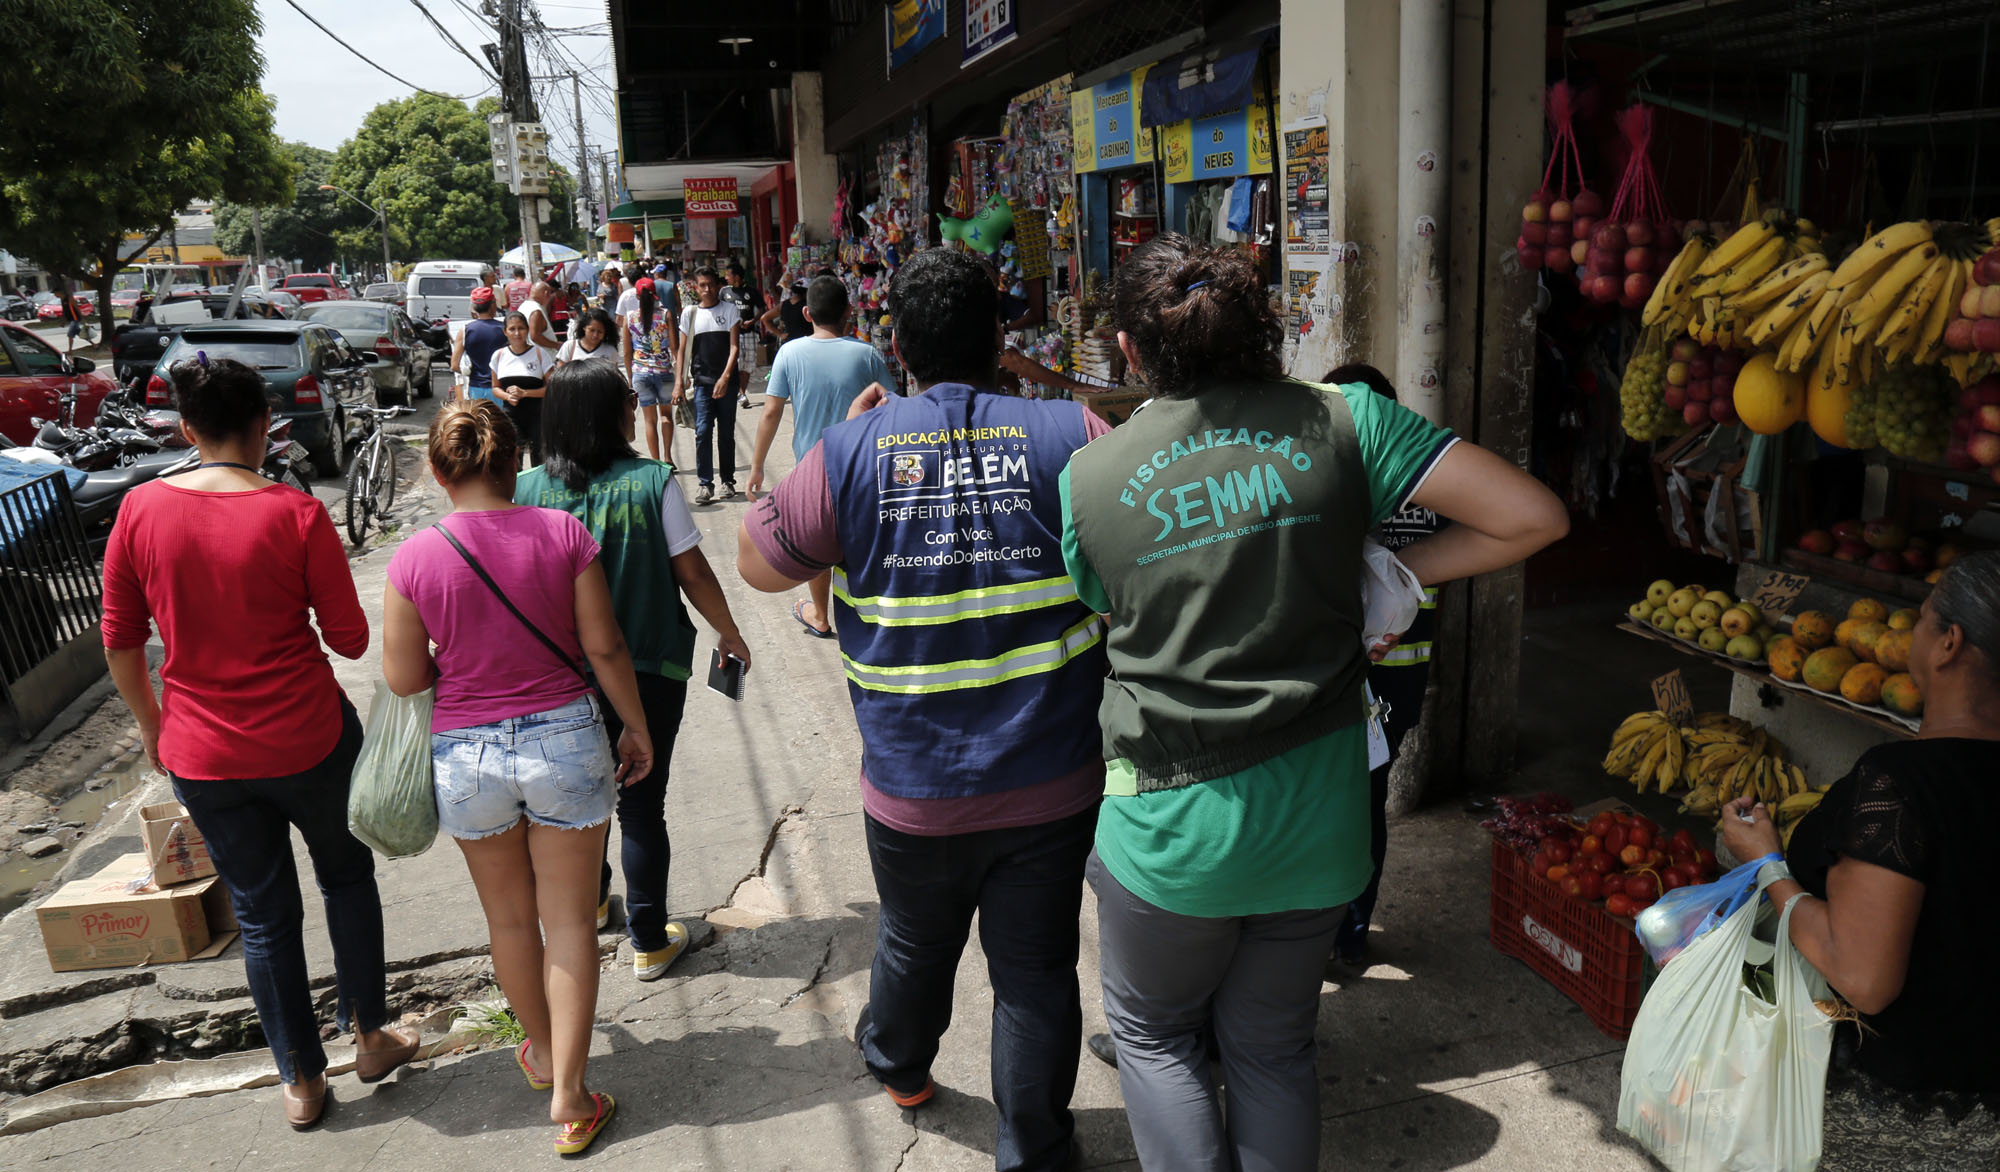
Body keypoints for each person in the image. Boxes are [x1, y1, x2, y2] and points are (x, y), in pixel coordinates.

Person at [1060, 234, 1568, 1172]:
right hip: (1319, 814)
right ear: (1264, 331)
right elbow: (1534, 517)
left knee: (1157, 1039)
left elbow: (1110, 603)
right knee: (1273, 1048)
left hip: (1170, 827)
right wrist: (1393, 570)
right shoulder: (1349, 419)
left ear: (1132, 350)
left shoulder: (1090, 477)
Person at [737, 248, 1112, 1172]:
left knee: (913, 934)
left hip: (912, 783)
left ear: (895, 346)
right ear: (998, 339)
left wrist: (846, 444)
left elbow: (758, 562)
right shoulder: (1074, 434)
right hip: (1053, 777)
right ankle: (1035, 1148)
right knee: (1034, 970)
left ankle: (901, 1064)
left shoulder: (855, 448)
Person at [101, 356, 419, 1130]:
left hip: (203, 755)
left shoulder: (139, 510)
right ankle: (371, 1036)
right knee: (345, 880)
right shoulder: (295, 513)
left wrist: (154, 725)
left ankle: (302, 1083)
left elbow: (119, 637)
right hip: (309, 739)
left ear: (186, 431)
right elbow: (347, 640)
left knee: (262, 917)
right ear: (262, 429)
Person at [382, 401, 652, 1156]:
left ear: (438, 472)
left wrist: (463, 660)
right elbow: (604, 647)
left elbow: (403, 679)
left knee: (509, 921)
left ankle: (538, 1052)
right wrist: (634, 724)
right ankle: (571, 1097)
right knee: (570, 921)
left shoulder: (414, 558)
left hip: (465, 757)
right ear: (515, 464)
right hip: (566, 740)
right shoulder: (562, 533)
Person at [1718, 552, 2000, 1170]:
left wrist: (1768, 865)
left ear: (1949, 643)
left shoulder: (1898, 784)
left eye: (1922, 620)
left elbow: (1864, 978)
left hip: (1907, 1123)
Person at [518, 363, 751, 980]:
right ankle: (649, 938)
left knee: (579, 798)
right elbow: (692, 572)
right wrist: (728, 630)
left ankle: (594, 905)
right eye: (626, 399)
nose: (633, 406)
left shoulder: (527, 490)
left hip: (557, 677)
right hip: (648, 665)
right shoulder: (653, 481)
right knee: (642, 806)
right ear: (609, 413)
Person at [1325, 362, 1446, 967]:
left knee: (1336, 808)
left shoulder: (1340, 479)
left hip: (1358, 681)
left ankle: (1334, 935)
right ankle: (1347, 933)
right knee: (1366, 804)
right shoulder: (1434, 485)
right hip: (1400, 681)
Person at [746, 275, 895, 638]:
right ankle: (875, 610)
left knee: (819, 540)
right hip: (863, 465)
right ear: (848, 311)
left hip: (812, 469)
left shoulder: (789, 352)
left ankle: (821, 616)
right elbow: (891, 404)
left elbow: (770, 412)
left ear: (807, 313)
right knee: (865, 536)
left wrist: (757, 466)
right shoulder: (866, 353)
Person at [676, 266, 743, 505]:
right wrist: (678, 384)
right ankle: (705, 484)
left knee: (726, 433)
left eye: (711, 284)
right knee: (702, 432)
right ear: (696, 287)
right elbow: (683, 350)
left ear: (718, 285)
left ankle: (728, 481)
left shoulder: (730, 310)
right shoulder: (690, 314)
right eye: (702, 285)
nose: (707, 289)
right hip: (702, 383)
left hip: (728, 383)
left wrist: (725, 378)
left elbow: (734, 347)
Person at [622, 277, 680, 463]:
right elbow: (674, 347)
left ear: (637, 295)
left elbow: (627, 353)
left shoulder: (629, 318)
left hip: (641, 373)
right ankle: (668, 457)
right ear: (655, 294)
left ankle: (656, 461)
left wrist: (630, 379)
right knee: (666, 416)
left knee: (649, 420)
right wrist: (680, 375)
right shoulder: (666, 315)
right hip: (664, 372)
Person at [493, 310, 555, 464]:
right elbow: (495, 387)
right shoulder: (499, 356)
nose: (517, 333)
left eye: (521, 328)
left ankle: (539, 487)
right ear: (505, 332)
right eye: (512, 329)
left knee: (539, 457)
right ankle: (518, 487)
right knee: (514, 457)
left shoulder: (540, 353)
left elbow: (553, 388)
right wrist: (508, 396)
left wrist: (525, 393)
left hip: (537, 416)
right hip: (511, 415)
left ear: (527, 329)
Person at [450, 285, 507, 403]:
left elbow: (454, 365)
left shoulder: (465, 331)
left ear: (474, 307)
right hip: (500, 388)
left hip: (476, 387)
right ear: (493, 304)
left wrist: (468, 372)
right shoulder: (505, 329)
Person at [721, 261, 764, 402]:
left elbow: (762, 308)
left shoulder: (751, 291)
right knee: (735, 363)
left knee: (747, 364)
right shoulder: (724, 292)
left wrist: (752, 321)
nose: (726, 278)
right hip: (731, 335)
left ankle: (742, 392)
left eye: (728, 275)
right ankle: (734, 390)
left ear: (737, 277)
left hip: (749, 334)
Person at [556, 308, 621, 372]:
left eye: (600, 332)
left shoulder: (610, 350)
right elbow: (560, 373)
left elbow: (614, 376)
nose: (595, 335)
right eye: (592, 330)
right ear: (584, 327)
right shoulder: (569, 347)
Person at [760, 281, 810, 349]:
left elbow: (764, 318)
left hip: (788, 343)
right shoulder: (807, 306)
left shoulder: (784, 305)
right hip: (805, 343)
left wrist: (780, 334)